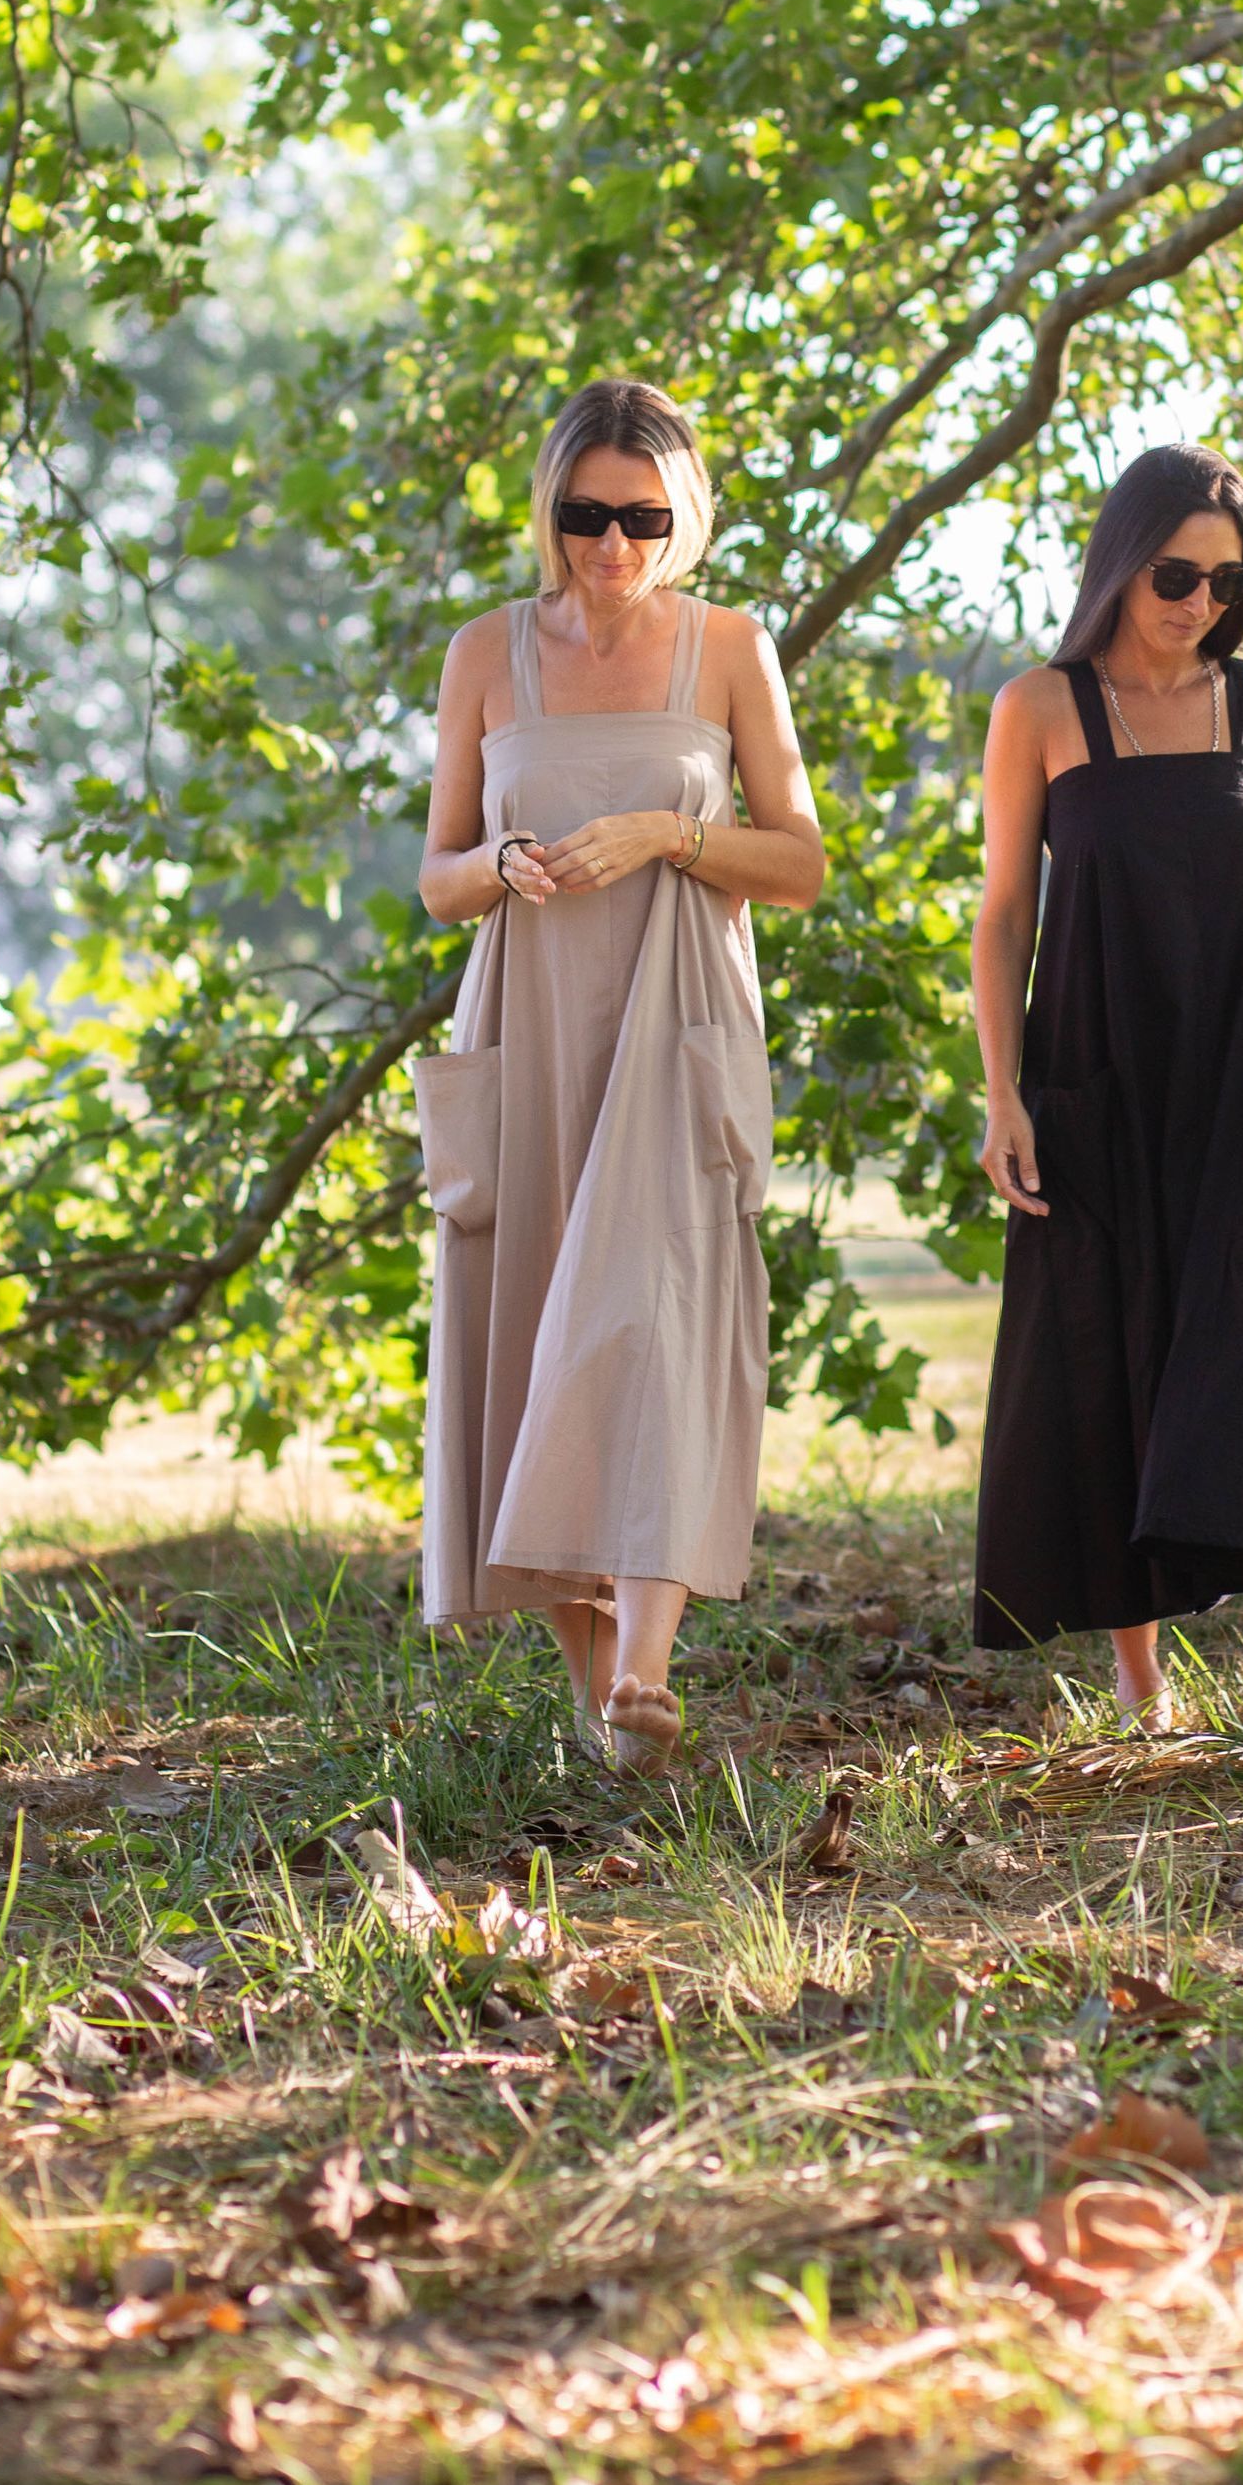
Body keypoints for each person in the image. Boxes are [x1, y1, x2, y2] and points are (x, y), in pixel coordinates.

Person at [970, 442, 1243, 1766]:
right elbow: (1005, 915)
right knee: (1117, 1343)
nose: (1202, 602)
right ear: (1122, 560)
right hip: (1101, 1071)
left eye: (1230, 583)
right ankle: (1142, 1684)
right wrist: (1002, 1091)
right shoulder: (1041, 708)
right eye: (1177, 575)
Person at [415, 379, 824, 1770]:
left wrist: (666, 833)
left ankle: (648, 1662)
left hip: (679, 1020)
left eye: (644, 519)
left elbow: (801, 862)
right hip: (529, 1023)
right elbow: (438, 877)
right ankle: (606, 1702)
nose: (613, 546)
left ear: (683, 517)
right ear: (551, 510)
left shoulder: (731, 648)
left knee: (654, 1320)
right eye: (589, 515)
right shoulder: (485, 652)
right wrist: (501, 864)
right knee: (532, 1325)